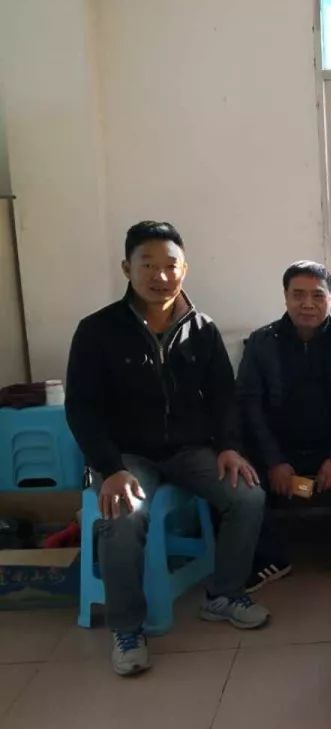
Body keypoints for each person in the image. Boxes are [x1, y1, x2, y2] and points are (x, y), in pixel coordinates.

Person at [65, 221, 268, 677]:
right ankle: (127, 628)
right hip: (126, 457)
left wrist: (229, 447)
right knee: (123, 515)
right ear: (127, 268)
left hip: (189, 450)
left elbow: (224, 397)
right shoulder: (97, 330)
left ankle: (223, 594)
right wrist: (109, 468)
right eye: (148, 265)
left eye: (170, 265)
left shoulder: (202, 328)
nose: (160, 276)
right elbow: (81, 409)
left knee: (248, 495)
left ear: (184, 269)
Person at [237, 261, 331, 591]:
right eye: (298, 295)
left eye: (317, 295)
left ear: (330, 297)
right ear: (285, 297)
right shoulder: (262, 342)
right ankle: (270, 557)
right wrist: (275, 461)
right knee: (242, 481)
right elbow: (249, 406)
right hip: (280, 448)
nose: (307, 304)